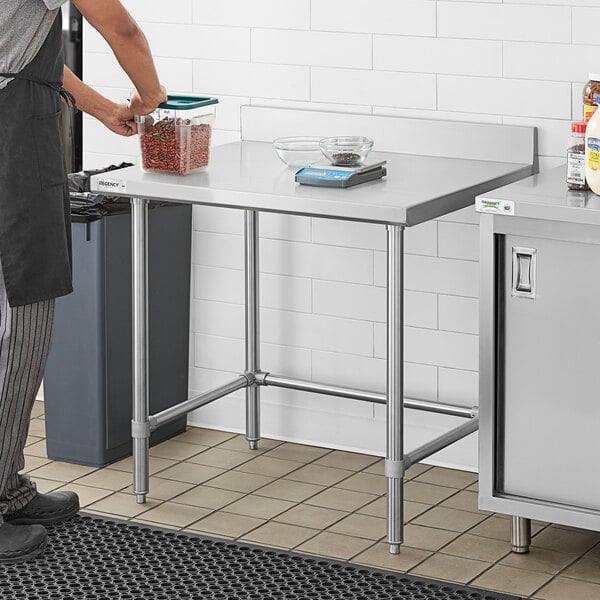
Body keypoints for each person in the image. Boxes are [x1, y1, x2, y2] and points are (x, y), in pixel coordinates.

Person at [0, 0, 166, 563]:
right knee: (20, 323)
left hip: (13, 116)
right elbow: (119, 26)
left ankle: (8, 486)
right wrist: (151, 98)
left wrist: (97, 108)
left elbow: (24, 53)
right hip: (8, 141)